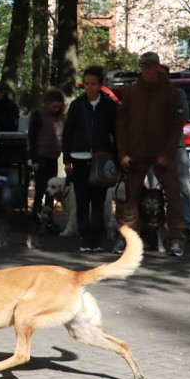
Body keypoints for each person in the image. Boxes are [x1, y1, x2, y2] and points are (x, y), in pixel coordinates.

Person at [115, 51, 187, 256]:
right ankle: (126, 239)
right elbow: (121, 124)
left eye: (150, 65)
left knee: (173, 197)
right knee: (130, 199)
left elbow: (176, 125)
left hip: (163, 155)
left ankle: (175, 239)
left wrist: (168, 153)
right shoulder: (131, 92)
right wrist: (122, 154)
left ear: (157, 66)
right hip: (136, 154)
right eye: (144, 65)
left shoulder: (171, 93)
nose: (147, 69)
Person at [62, 66, 119, 252]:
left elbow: (116, 132)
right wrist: (67, 159)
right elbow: (67, 132)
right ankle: (85, 237)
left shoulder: (109, 106)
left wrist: (116, 159)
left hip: (101, 159)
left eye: (93, 84)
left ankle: (95, 237)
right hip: (79, 158)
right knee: (81, 198)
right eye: (86, 84)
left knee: (99, 200)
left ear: (100, 84)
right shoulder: (77, 105)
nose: (89, 87)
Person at [28, 88, 66, 214]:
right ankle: (36, 212)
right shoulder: (38, 115)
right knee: (40, 187)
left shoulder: (61, 117)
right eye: (54, 106)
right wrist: (34, 160)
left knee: (52, 189)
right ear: (48, 103)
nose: (56, 109)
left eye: (59, 107)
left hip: (53, 157)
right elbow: (32, 138)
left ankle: (48, 213)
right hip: (40, 157)